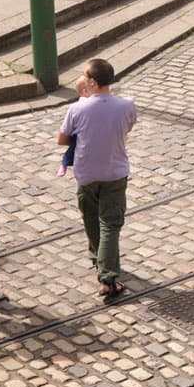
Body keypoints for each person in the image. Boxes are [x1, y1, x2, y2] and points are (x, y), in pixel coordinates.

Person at [57, 58, 136, 301]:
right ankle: (107, 275)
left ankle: (101, 264)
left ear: (91, 81)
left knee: (92, 219)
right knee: (110, 224)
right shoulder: (126, 105)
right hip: (114, 172)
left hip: (86, 173)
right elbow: (127, 129)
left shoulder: (78, 109)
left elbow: (62, 139)